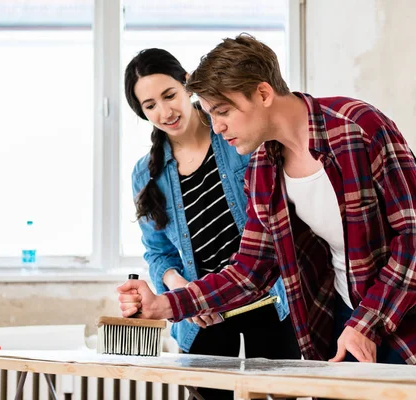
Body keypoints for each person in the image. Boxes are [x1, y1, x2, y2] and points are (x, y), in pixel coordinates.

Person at [118, 36, 416, 366]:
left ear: (262, 94)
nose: (216, 127)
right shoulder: (263, 167)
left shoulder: (359, 127)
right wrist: (165, 304)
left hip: (410, 303)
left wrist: (366, 323)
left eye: (223, 112)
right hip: (345, 303)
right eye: (211, 114)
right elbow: (250, 270)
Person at [123, 48, 300, 399]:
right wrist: (181, 289)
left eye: (169, 95)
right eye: (150, 105)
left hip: (270, 306)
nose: (165, 111)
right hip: (202, 317)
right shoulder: (146, 174)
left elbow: (279, 222)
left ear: (187, 84)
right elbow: (158, 254)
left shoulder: (239, 140)